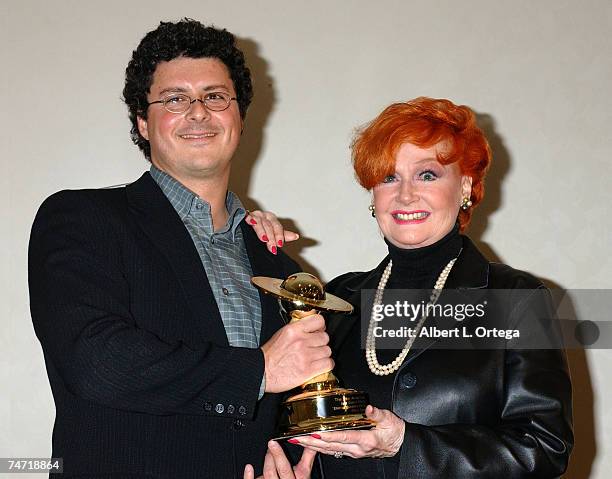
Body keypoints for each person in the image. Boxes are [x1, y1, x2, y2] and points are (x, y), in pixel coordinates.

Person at [28, 19, 334, 477]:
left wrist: (290, 463)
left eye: (215, 96)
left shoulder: (276, 259)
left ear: (239, 117)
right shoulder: (81, 218)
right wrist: (258, 370)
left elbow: (293, 402)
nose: (198, 112)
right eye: (174, 99)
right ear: (142, 123)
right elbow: (95, 360)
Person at [245, 97, 573, 478]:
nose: (404, 195)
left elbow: (545, 449)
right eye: (389, 177)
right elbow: (295, 420)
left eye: (427, 174)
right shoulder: (338, 300)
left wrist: (405, 443)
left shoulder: (516, 299)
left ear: (465, 185)